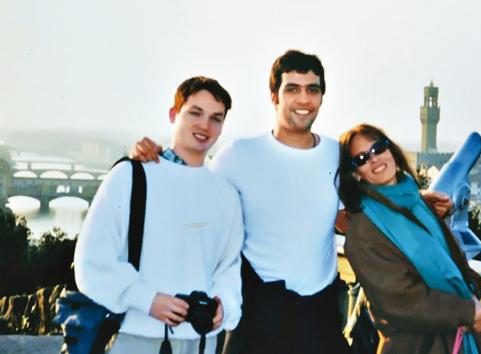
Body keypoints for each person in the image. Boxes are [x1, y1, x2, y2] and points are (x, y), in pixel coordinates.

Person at [131, 50, 452, 354]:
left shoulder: (334, 155)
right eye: (292, 89)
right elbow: (193, 194)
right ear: (274, 96)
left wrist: (417, 201)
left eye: (312, 89)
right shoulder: (240, 155)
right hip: (258, 315)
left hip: (319, 316)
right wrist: (155, 160)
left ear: (321, 98)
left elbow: (353, 211)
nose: (303, 99)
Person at [74, 76, 244, 354]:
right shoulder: (130, 177)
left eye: (216, 118)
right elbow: (92, 259)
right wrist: (147, 299)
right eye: (195, 113)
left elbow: (229, 266)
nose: (205, 126)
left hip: (202, 342)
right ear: (174, 114)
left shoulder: (226, 195)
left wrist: (224, 304)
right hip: (137, 336)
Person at [337, 123, 481, 354]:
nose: (374, 159)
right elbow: (399, 300)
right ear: (356, 174)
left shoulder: (417, 204)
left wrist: (471, 288)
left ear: (391, 150)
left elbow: (452, 258)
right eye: (361, 159)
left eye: (378, 148)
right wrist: (466, 311)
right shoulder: (363, 229)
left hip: (457, 339)